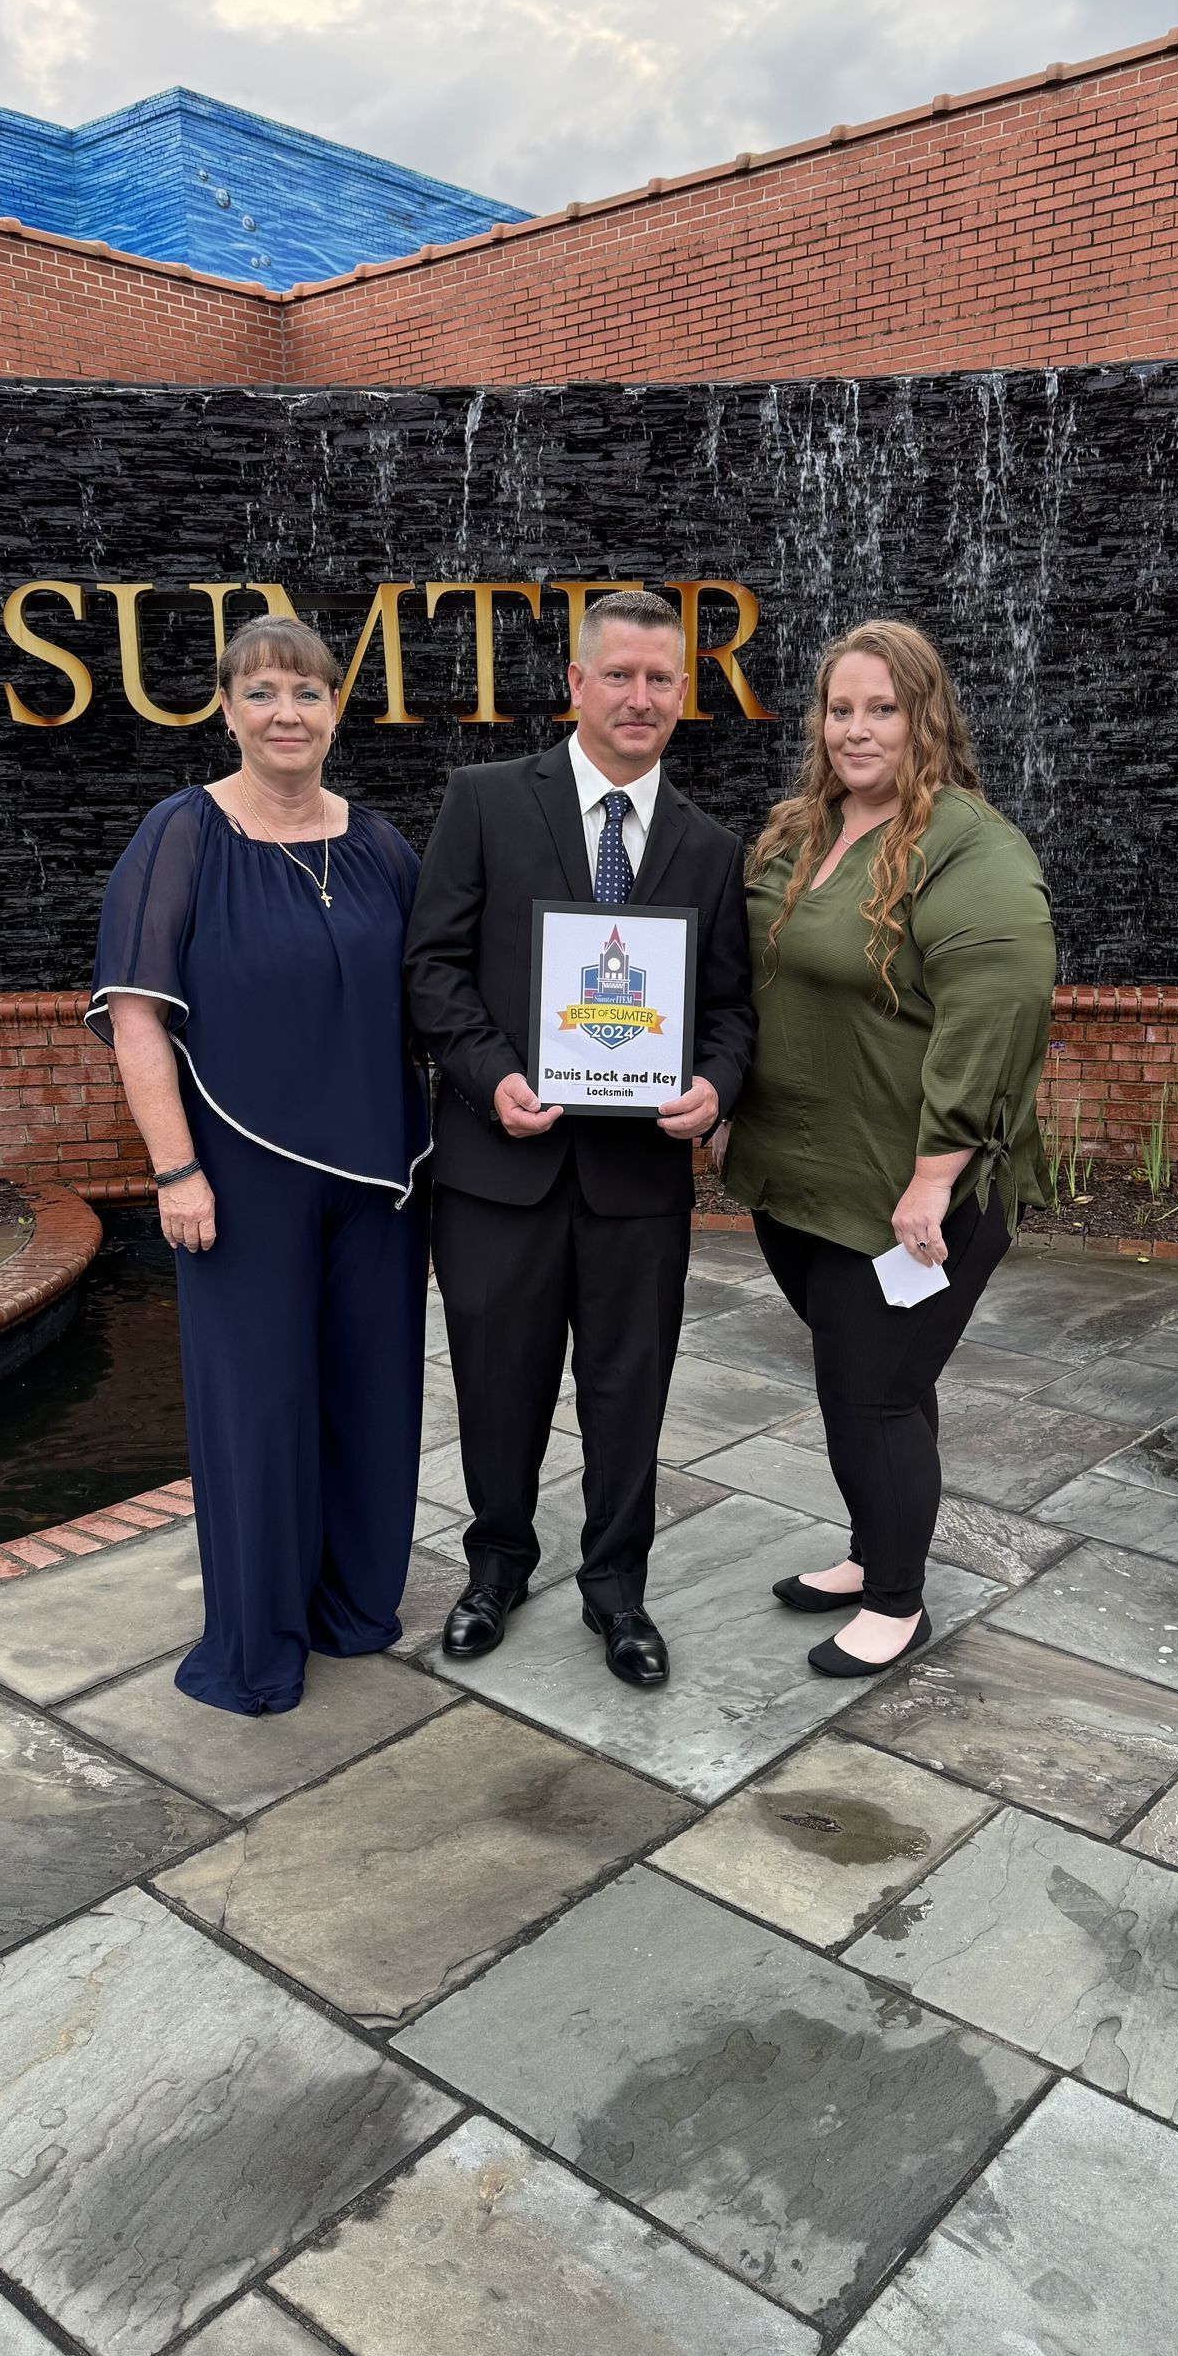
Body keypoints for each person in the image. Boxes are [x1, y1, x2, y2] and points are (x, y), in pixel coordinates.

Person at [406, 590, 755, 1687]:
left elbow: (734, 1008)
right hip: (496, 1167)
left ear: (683, 693)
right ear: (576, 683)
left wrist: (714, 1085)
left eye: (661, 679)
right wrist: (492, 1073)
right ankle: (496, 1567)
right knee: (497, 1386)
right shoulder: (485, 801)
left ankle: (619, 1592)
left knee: (626, 1394)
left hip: (635, 1184)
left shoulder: (709, 846)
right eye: (620, 675)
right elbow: (432, 967)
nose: (640, 697)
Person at [87, 613, 430, 1715]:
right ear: (227, 710)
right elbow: (136, 1017)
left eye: (308, 693)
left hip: (381, 1176)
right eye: (264, 693)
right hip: (240, 1178)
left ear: (338, 710)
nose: (288, 714)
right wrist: (175, 1172)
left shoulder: (379, 842)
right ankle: (257, 1641)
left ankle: (354, 1606)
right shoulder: (182, 834)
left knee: (372, 1395)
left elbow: (448, 988)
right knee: (257, 1407)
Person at [719, 619, 1056, 1679]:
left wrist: (936, 1172)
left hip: (911, 1195)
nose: (856, 728)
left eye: (882, 708)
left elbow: (1001, 1003)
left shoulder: (969, 846)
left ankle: (899, 1599)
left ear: (927, 716)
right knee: (870, 1381)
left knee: (871, 1391)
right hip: (802, 1179)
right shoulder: (798, 833)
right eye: (839, 707)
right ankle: (873, 1550)